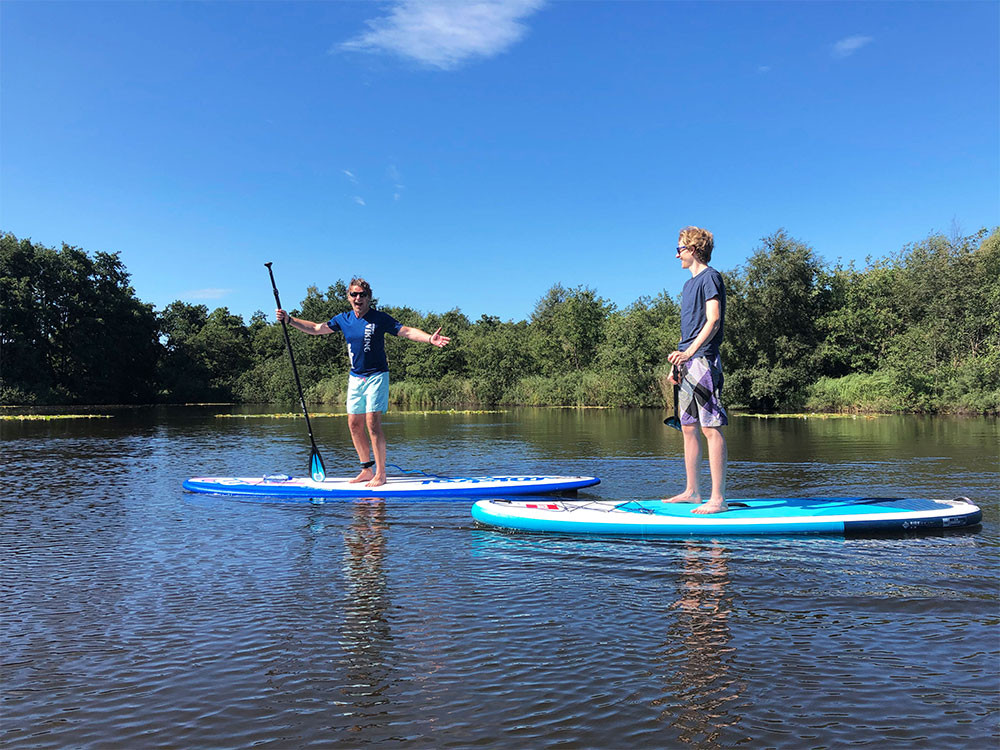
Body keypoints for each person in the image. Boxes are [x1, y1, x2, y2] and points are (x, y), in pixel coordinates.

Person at [276, 277, 450, 487]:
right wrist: (290, 320)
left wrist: (429, 338)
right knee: (353, 423)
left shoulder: (379, 318)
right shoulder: (344, 319)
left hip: (377, 375)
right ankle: (366, 469)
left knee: (372, 422)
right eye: (354, 294)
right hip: (355, 377)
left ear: (369, 297)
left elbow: (406, 331)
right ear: (349, 297)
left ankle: (381, 474)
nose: (358, 298)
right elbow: (315, 328)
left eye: (362, 295)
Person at [664, 226, 729, 514]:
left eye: (679, 249)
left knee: (709, 428)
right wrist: (680, 361)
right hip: (688, 362)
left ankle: (718, 499)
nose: (676, 254)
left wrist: (691, 353)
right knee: (688, 428)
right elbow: (690, 329)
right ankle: (692, 492)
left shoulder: (710, 277)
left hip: (704, 359)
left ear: (692, 250)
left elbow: (712, 320)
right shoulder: (688, 285)